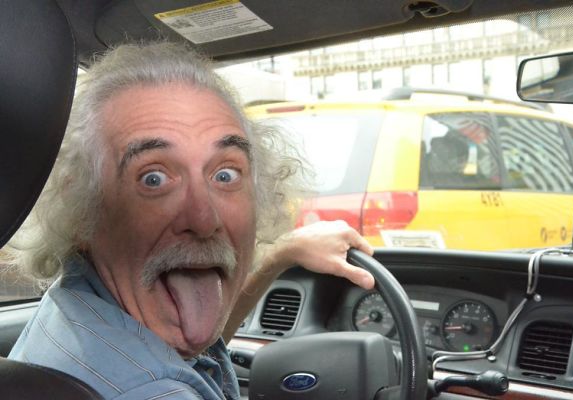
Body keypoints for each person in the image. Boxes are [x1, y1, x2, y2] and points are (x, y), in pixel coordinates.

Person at [6, 42, 374, 399]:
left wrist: (280, 255)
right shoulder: (154, 391)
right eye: (153, 179)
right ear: (79, 207)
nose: (204, 219)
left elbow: (184, 350)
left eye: (225, 175)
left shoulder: (75, 307)